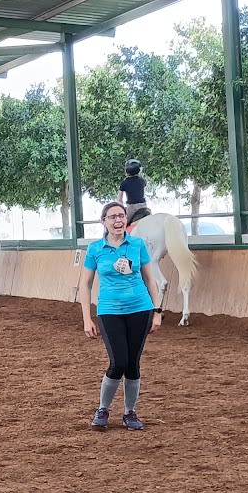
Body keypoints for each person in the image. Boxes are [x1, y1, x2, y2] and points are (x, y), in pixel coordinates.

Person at [78, 201, 164, 431]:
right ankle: (103, 408)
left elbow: (150, 279)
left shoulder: (137, 245)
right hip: (109, 311)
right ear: (103, 221)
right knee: (118, 362)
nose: (118, 220)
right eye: (112, 217)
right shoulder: (95, 249)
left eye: (121, 216)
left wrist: (157, 310)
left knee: (133, 363)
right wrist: (87, 318)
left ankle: (130, 412)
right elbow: (85, 285)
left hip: (139, 308)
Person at [118, 158, 149, 225]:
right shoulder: (142, 181)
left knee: (124, 225)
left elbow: (119, 200)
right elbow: (144, 193)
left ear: (127, 171)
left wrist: (121, 208)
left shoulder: (124, 183)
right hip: (143, 206)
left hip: (131, 208)